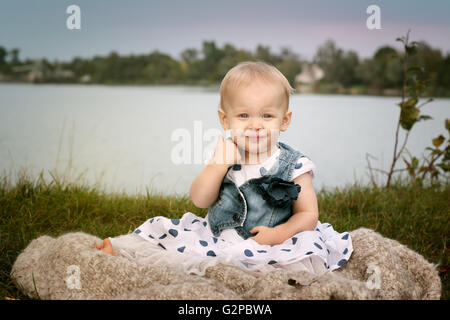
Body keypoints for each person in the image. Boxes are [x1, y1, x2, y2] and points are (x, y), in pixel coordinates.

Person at [96, 61, 353, 276]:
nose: (255, 125)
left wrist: (279, 234)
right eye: (244, 116)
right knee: (163, 232)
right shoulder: (225, 155)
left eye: (267, 116)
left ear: (284, 120)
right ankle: (122, 252)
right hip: (216, 237)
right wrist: (218, 165)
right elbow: (200, 199)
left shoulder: (294, 165)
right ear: (224, 119)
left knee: (288, 264)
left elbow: (308, 214)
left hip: (272, 243)